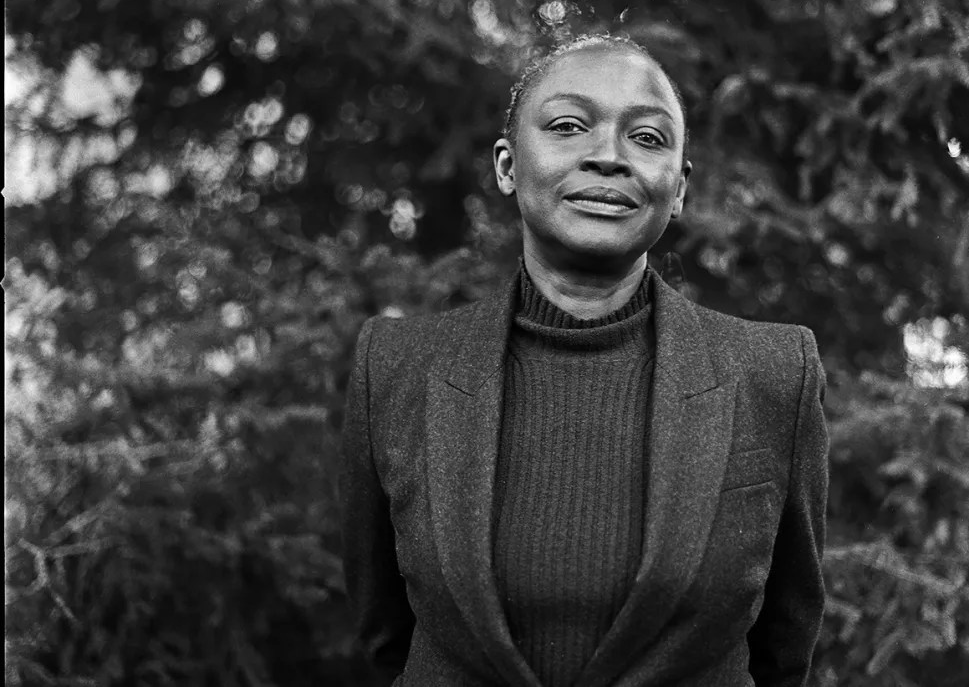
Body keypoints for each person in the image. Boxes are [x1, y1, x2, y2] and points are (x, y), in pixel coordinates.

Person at [338, 34, 829, 687]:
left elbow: (784, 648)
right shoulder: (396, 368)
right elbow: (385, 637)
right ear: (508, 166)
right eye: (568, 126)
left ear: (679, 188)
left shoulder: (774, 375)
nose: (608, 156)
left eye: (647, 137)